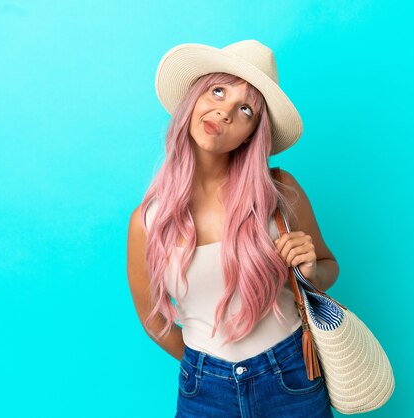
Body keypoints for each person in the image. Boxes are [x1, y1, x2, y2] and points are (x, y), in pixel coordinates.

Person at [126, 40, 339, 417]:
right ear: (194, 98)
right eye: (217, 91)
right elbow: (152, 319)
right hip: (204, 388)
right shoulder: (148, 219)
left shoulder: (280, 191)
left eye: (244, 110)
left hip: (290, 376)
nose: (224, 112)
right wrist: (208, 369)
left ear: (251, 134)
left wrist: (308, 273)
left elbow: (327, 267)